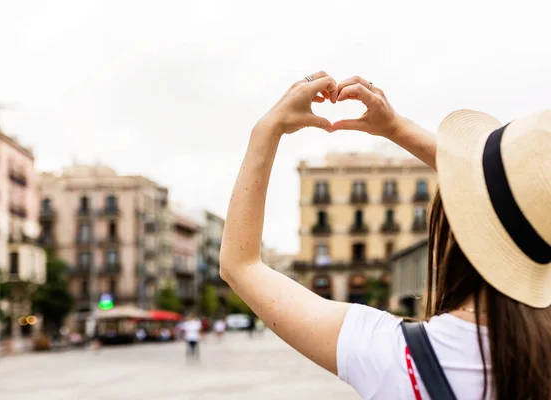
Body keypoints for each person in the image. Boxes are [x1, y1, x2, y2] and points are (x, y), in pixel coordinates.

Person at [219, 71, 551, 399]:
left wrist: (266, 129)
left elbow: (241, 265)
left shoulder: (395, 356)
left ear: (453, 224)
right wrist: (397, 128)